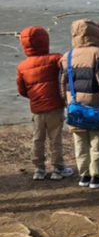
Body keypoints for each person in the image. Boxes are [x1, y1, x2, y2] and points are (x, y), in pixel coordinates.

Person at [60, 19, 99, 189]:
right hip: (95, 106)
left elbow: (62, 84)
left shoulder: (67, 56)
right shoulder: (98, 53)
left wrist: (67, 105)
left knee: (79, 142)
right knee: (97, 142)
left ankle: (83, 175)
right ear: (97, 34)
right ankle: (96, 176)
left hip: (75, 106)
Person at [17, 26, 73, 181]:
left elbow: (22, 90)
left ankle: (39, 168)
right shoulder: (55, 58)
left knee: (38, 137)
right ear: (45, 41)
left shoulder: (22, 66)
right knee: (56, 137)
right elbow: (66, 76)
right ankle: (58, 167)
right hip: (55, 106)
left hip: (37, 107)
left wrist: (35, 98)